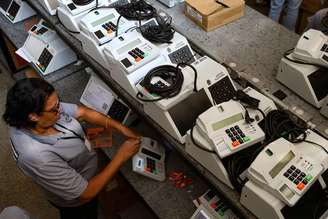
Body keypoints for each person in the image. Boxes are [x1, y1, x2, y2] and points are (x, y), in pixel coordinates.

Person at [2, 78, 141, 219]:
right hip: (77, 200)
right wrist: (121, 156)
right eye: (54, 109)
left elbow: (83, 112)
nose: (60, 109)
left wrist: (120, 128)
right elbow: (86, 193)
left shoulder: (44, 110)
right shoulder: (37, 157)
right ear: (33, 116)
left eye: (58, 102)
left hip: (85, 166)